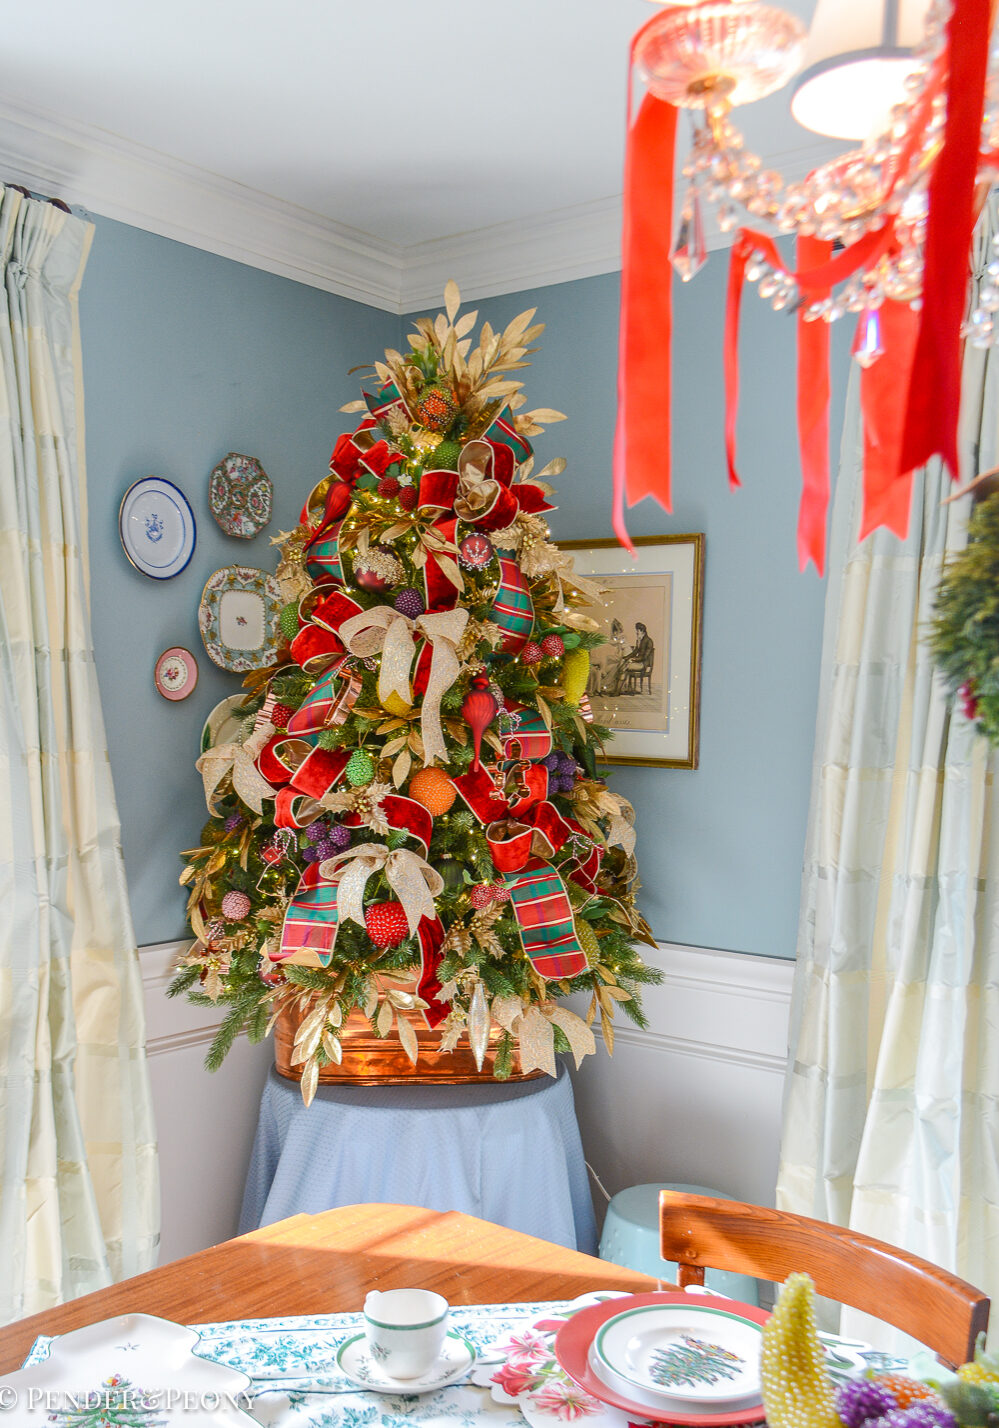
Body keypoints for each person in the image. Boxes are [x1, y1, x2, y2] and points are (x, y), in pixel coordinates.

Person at [613, 622, 654, 695]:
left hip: (642, 664)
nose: (636, 632)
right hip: (638, 662)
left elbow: (644, 657)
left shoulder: (649, 641)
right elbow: (634, 652)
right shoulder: (639, 640)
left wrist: (633, 659)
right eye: (637, 630)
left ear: (642, 631)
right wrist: (625, 658)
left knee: (624, 667)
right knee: (623, 665)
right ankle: (618, 690)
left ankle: (617, 691)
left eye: (638, 631)